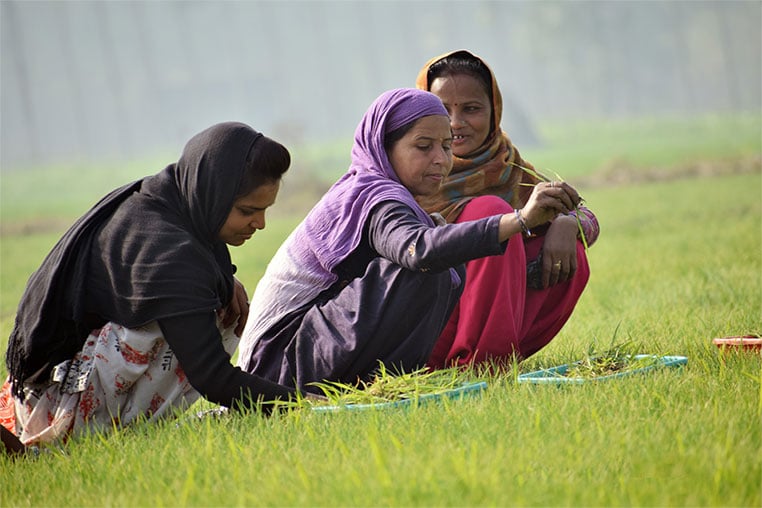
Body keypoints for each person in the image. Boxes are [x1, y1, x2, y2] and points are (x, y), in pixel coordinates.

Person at [236, 88, 582, 392]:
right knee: (426, 264)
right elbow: (419, 250)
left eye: (446, 146)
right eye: (423, 146)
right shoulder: (374, 197)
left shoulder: (382, 194)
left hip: (301, 353)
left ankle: (394, 381)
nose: (440, 159)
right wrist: (520, 220)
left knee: (443, 262)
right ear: (384, 148)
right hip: (277, 363)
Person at [2, 122, 305, 450]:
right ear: (213, 194)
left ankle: (130, 427)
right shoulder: (167, 251)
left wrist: (225, 281)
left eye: (264, 211)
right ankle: (98, 435)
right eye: (248, 211)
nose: (260, 224)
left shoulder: (169, 201)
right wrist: (304, 404)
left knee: (217, 295)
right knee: (199, 306)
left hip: (61, 382)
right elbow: (215, 379)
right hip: (55, 402)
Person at [414, 50, 600, 368]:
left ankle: (493, 361)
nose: (455, 123)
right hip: (418, 324)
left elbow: (586, 216)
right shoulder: (408, 168)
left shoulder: (506, 165)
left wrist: (567, 224)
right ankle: (475, 364)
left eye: (471, 109)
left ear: (494, 112)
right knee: (491, 213)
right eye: (442, 110)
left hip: (489, 319)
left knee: (571, 252)